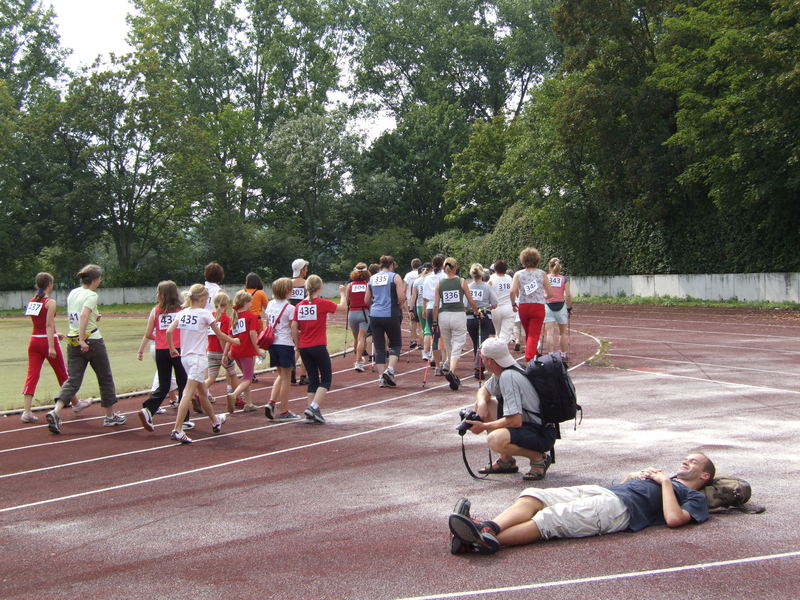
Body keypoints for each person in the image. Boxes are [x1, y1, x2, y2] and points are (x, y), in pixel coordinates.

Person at [448, 452, 715, 555]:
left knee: (551, 518)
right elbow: (624, 483)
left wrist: (665, 483)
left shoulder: (695, 497)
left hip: (621, 511)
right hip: (607, 492)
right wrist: (635, 475)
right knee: (536, 496)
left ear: (705, 476)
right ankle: (488, 528)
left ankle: (481, 541)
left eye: (693, 462)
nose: (685, 461)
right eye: (686, 458)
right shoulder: (665, 478)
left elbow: (673, 519)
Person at [45, 265, 126, 434]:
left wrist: (93, 318)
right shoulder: (92, 295)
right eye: (100, 279)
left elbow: (80, 314)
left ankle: (56, 411)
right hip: (91, 341)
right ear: (95, 280)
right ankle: (110, 416)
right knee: (105, 377)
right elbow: (83, 315)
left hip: (72, 340)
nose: (100, 281)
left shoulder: (73, 293)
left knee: (73, 379)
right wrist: (83, 339)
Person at [463, 337, 557, 480]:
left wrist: (483, 426)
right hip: (536, 427)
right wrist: (481, 404)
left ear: (489, 361)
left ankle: (539, 459)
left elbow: (515, 421)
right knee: (486, 404)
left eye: (482, 357)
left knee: (495, 440)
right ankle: (506, 461)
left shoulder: (508, 377)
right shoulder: (508, 369)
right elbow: (484, 391)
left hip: (539, 433)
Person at [166, 284, 239, 443]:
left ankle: (215, 421)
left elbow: (169, 331)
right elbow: (220, 335)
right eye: (206, 300)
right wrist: (234, 340)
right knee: (187, 393)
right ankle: (177, 429)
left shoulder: (182, 313)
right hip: (198, 358)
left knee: (202, 392)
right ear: (202, 299)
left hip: (185, 357)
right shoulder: (205, 314)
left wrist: (172, 348)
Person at [21, 273, 88, 423]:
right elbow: (49, 324)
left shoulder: (33, 300)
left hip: (34, 341)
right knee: (63, 374)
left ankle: (26, 411)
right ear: (49, 284)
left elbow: (38, 324)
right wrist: (51, 344)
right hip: (47, 342)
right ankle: (76, 403)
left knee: (32, 376)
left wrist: (55, 334)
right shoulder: (50, 302)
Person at [136, 281, 191, 432]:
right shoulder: (182, 310)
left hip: (161, 351)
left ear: (160, 294)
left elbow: (148, 334)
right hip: (179, 350)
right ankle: (184, 419)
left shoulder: (156, 310)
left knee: (164, 384)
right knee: (183, 384)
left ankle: (149, 409)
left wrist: (160, 339)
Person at [291, 275, 347, 423]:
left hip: (304, 347)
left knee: (313, 380)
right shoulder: (321, 303)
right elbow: (343, 307)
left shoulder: (299, 306)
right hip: (318, 346)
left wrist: (298, 344)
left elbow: (294, 326)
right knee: (326, 379)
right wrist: (342, 293)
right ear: (319, 288)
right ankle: (313, 407)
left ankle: (310, 411)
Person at [432, 257, 480, 391]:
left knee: (448, 344)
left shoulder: (439, 283)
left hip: (443, 316)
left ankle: (447, 364)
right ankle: (451, 371)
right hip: (458, 315)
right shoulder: (462, 281)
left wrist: (434, 322)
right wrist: (476, 311)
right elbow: (471, 301)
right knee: (458, 344)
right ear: (455, 267)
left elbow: (436, 305)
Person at [364, 255, 406, 388]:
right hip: (391, 313)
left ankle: (381, 377)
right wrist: (400, 303)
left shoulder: (372, 278)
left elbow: (366, 300)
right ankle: (390, 369)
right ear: (392, 265)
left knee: (379, 346)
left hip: (375, 315)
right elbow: (401, 297)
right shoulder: (395, 277)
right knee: (395, 344)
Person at [263, 277, 299, 420]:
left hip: (273, 343)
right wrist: (297, 343)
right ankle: (284, 410)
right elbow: (293, 327)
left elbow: (267, 323)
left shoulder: (270, 304)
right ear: (287, 291)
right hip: (285, 343)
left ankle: (272, 402)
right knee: (286, 378)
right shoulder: (290, 308)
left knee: (281, 375)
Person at [510, 248, 553, 362]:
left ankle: (535, 354)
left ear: (523, 260)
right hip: (538, 307)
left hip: (523, 306)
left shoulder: (518, 274)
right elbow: (550, 293)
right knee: (533, 334)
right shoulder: (542, 274)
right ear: (537, 260)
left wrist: (513, 303)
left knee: (529, 333)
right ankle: (529, 359)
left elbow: (512, 291)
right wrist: (542, 297)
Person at [226, 290, 265, 413]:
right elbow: (252, 334)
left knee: (245, 377)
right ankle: (234, 395)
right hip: (246, 351)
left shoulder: (234, 317)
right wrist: (258, 350)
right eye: (250, 302)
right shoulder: (251, 317)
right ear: (246, 303)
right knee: (248, 378)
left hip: (235, 351)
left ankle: (249, 403)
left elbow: (229, 337)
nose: (252, 304)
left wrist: (225, 353)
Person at [204, 291, 238, 405]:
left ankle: (196, 393)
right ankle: (236, 396)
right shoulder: (225, 319)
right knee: (232, 374)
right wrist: (225, 352)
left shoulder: (210, 316)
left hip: (210, 351)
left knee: (211, 378)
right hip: (220, 351)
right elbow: (222, 337)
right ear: (226, 304)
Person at [466, 263, 497, 379]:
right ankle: (478, 367)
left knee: (476, 343)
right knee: (482, 343)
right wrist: (487, 306)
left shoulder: (468, 287)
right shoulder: (487, 287)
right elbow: (495, 304)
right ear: (482, 274)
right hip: (484, 317)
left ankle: (478, 366)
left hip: (470, 318)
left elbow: (464, 304)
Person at [542, 258, 572, 365]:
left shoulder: (545, 277)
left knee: (549, 333)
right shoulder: (565, 279)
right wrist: (569, 308)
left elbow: (542, 292)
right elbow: (568, 294)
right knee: (563, 333)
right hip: (561, 306)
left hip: (548, 306)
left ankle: (551, 355)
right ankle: (563, 355)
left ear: (549, 267)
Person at [422, 254, 447, 374]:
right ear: (443, 265)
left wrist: (424, 309)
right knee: (446, 336)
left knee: (435, 337)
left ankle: (437, 366)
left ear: (432, 265)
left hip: (431, 308)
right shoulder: (445, 276)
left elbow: (425, 297)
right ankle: (445, 362)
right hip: (442, 307)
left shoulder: (427, 278)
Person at [345, 263, 370, 372]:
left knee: (356, 338)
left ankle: (358, 357)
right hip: (364, 312)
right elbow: (370, 300)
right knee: (362, 338)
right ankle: (358, 361)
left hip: (352, 313)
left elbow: (347, 301)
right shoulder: (368, 285)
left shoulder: (349, 286)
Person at [290, 258, 309, 385]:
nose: (307, 270)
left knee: (297, 347)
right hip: (305, 317)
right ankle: (303, 375)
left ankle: (291, 366)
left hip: (292, 316)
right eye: (305, 268)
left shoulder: (288, 283)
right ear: (301, 270)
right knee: (305, 348)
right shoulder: (307, 283)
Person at [409, 263, 432, 361]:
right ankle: (429, 351)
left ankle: (424, 352)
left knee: (423, 329)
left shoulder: (417, 281)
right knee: (430, 330)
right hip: (430, 305)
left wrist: (410, 309)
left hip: (419, 306)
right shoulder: (431, 279)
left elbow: (413, 296)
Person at [488, 260, 514, 344]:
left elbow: (487, 291)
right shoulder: (509, 278)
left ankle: (498, 351)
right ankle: (501, 350)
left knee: (498, 333)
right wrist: (514, 303)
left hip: (496, 308)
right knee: (505, 334)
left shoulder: (491, 278)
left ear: (495, 269)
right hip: (508, 307)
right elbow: (513, 292)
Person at [403, 258, 422, 349]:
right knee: (421, 323)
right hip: (420, 300)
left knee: (412, 321)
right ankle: (421, 342)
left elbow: (405, 288)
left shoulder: (408, 275)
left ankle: (413, 339)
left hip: (411, 300)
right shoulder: (422, 274)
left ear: (412, 265)